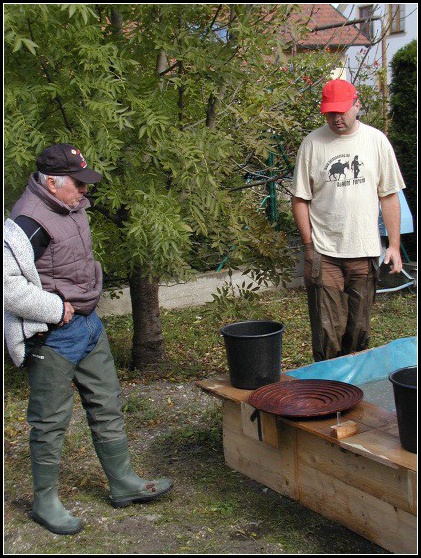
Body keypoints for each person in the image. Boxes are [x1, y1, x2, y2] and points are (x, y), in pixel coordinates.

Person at [4, 143, 173, 536]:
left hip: (88, 326)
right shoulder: (28, 222)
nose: (85, 191)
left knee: (107, 404)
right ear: (51, 182)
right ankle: (45, 502)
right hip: (54, 336)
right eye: (78, 184)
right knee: (49, 423)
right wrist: (52, 309)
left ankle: (124, 483)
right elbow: (7, 286)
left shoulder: (71, 205)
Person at [290, 79, 405, 362]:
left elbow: (389, 195)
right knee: (328, 332)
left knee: (358, 330)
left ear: (357, 105)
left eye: (341, 111)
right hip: (324, 253)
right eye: (330, 112)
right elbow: (300, 199)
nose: (336, 118)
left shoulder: (376, 141)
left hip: (364, 252)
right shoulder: (312, 143)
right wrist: (309, 246)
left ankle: (354, 393)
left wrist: (393, 245)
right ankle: (328, 396)